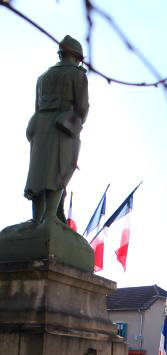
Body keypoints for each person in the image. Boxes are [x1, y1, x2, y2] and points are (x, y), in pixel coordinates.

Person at [24, 35, 89, 224]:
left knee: (38, 172)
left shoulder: (42, 77)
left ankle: (36, 219)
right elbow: (82, 107)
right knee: (60, 169)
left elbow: (37, 105)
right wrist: (76, 124)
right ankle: (50, 216)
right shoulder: (78, 75)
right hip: (64, 125)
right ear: (77, 57)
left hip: (40, 124)